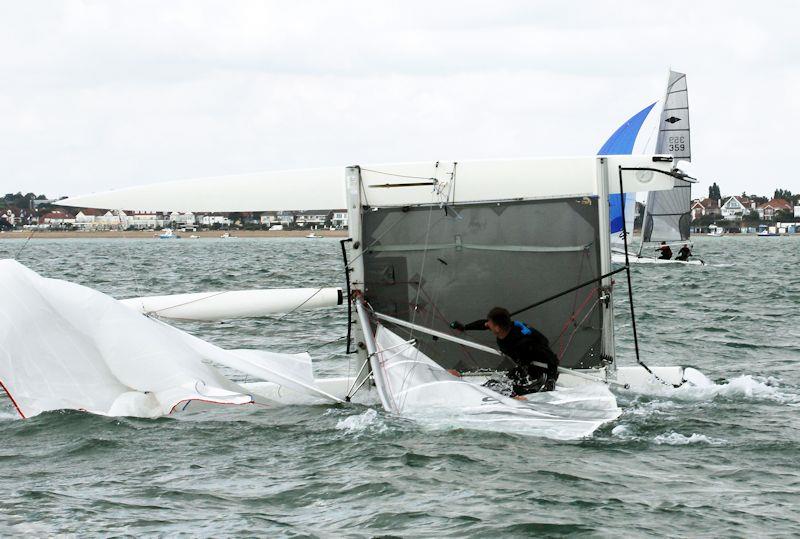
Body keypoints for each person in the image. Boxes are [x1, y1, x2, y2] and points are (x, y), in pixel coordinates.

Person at [450, 307, 559, 397]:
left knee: (510, 390)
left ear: (497, 328)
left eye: (490, 323)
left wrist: (551, 379)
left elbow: (552, 358)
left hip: (537, 371)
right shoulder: (503, 327)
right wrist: (464, 327)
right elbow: (482, 324)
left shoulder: (523, 341)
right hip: (522, 366)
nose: (487, 325)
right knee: (493, 385)